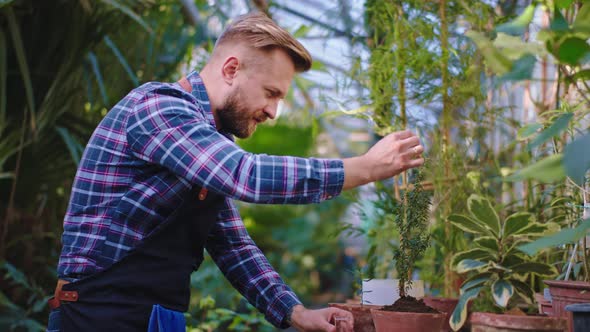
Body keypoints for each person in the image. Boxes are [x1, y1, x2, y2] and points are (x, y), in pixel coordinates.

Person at [46, 11, 424, 332]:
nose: (274, 112)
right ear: (231, 69)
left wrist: (296, 313)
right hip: (99, 313)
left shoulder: (205, 143)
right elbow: (245, 174)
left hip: (154, 316)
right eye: (271, 93)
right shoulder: (158, 108)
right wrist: (363, 168)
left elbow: (233, 246)